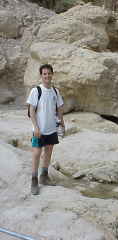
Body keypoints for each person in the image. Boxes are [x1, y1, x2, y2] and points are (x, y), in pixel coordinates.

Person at [26, 63, 64, 195]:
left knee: (48, 151)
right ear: (41, 76)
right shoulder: (36, 90)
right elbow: (31, 110)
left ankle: (44, 176)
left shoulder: (55, 91)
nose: (47, 76)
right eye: (44, 74)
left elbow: (59, 107)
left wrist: (61, 123)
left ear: (52, 74)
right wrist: (35, 127)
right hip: (39, 130)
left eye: (49, 73)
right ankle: (34, 180)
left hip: (51, 128)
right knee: (36, 154)